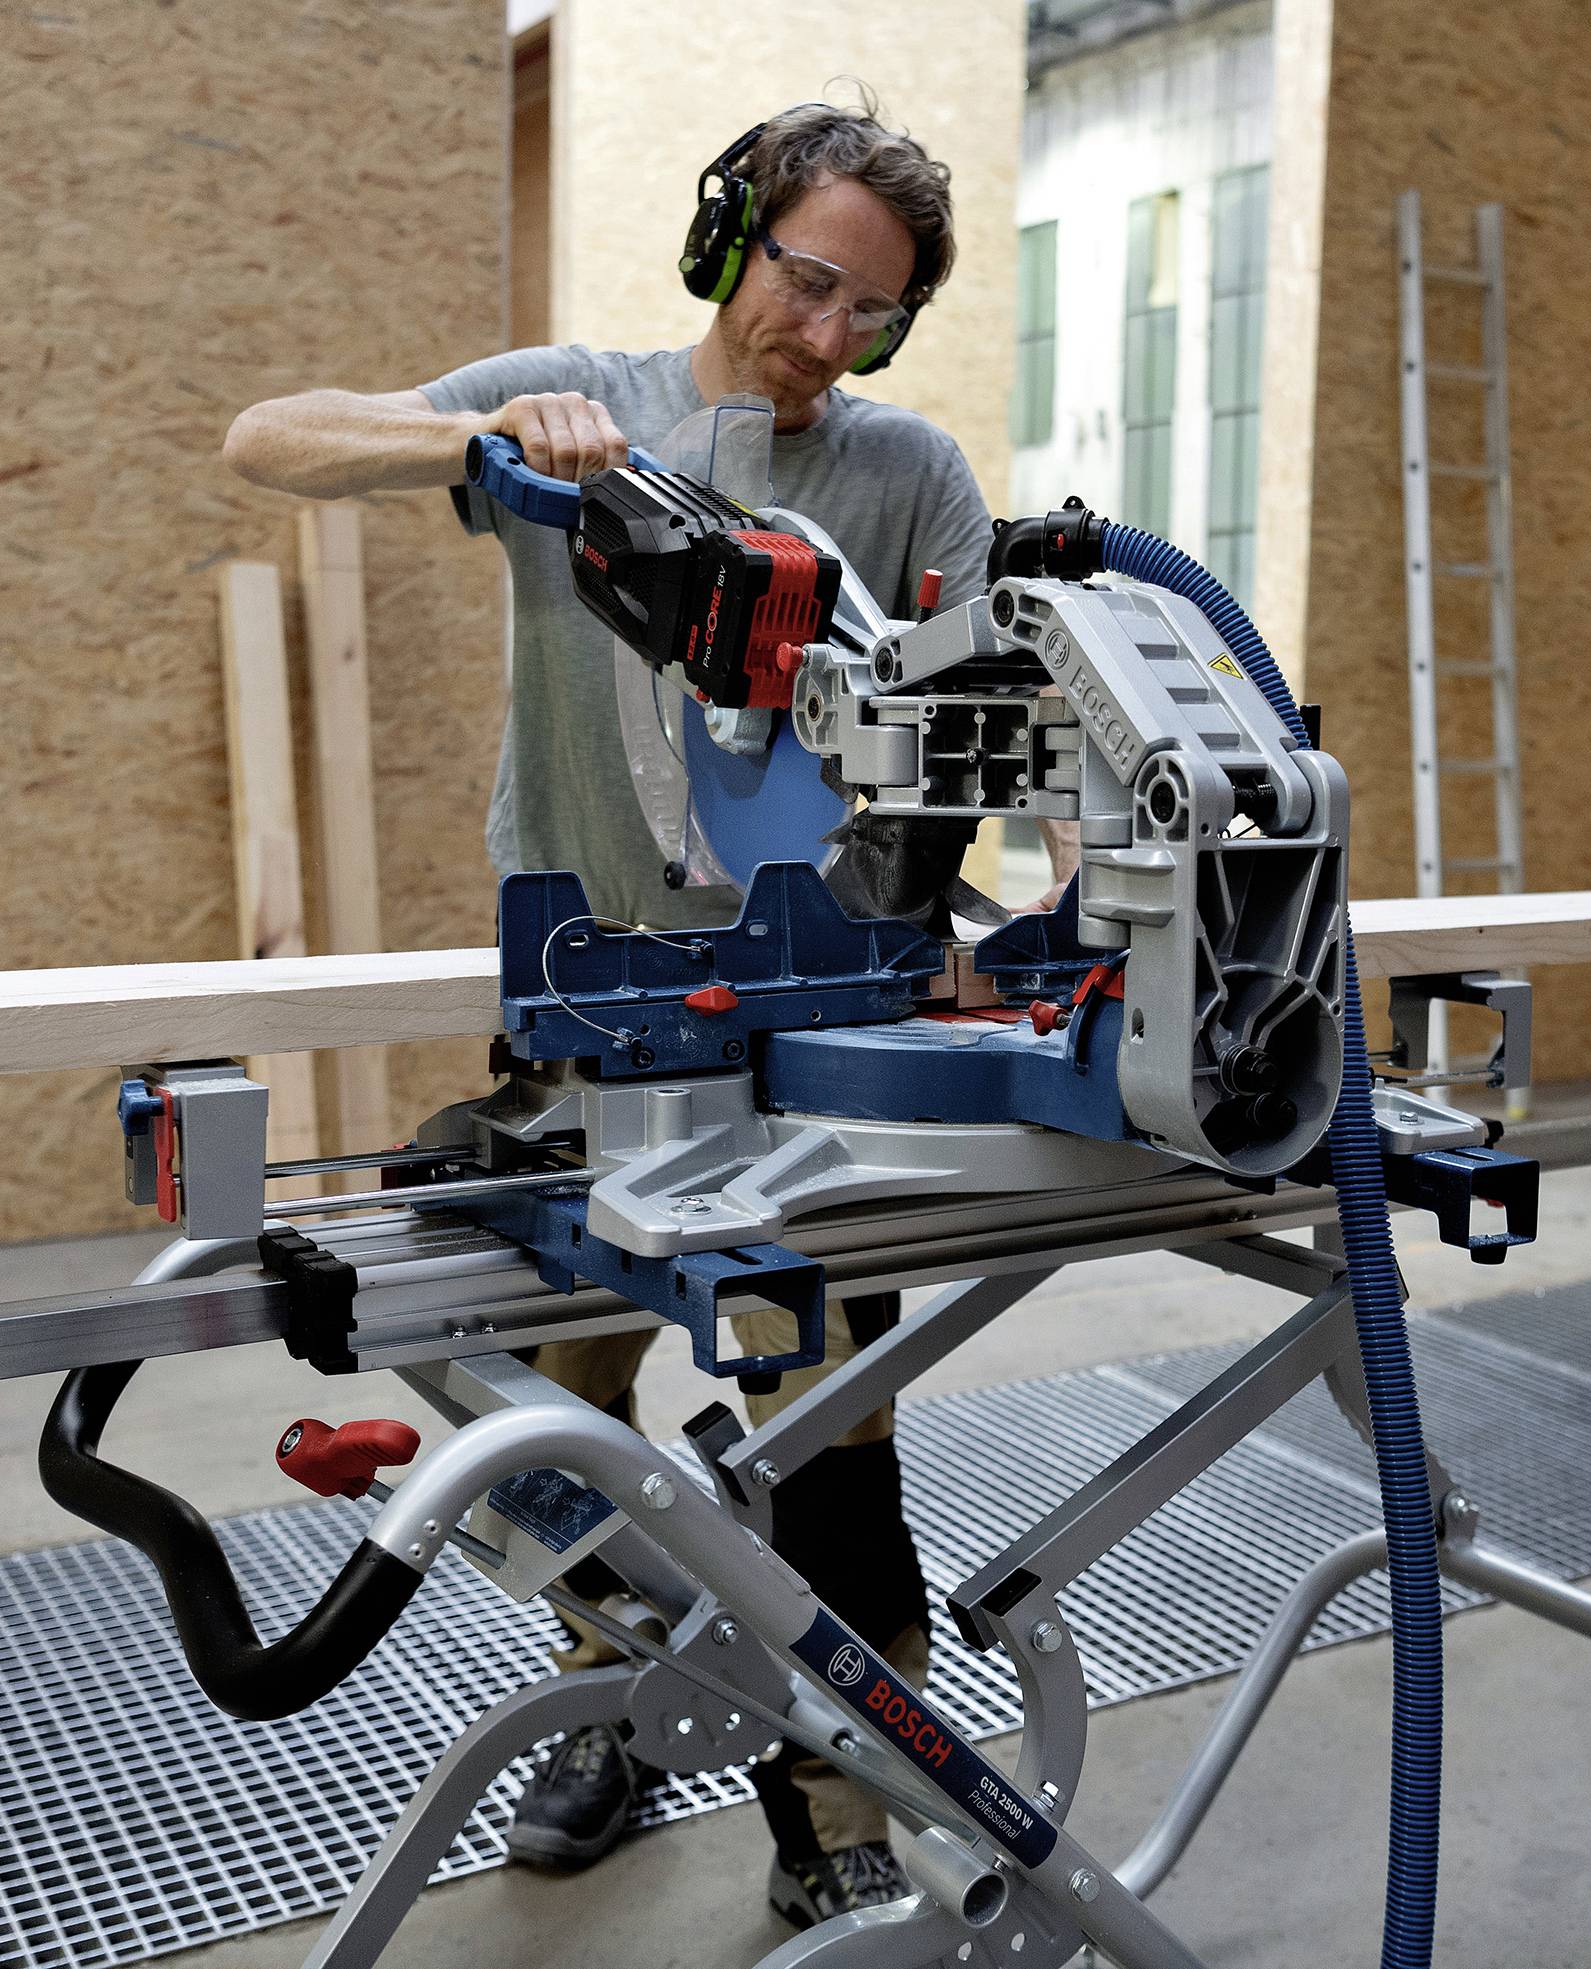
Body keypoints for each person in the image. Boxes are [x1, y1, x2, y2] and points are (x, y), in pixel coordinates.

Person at [224, 98, 998, 1929]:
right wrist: (486, 432)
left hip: (814, 1031)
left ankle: (836, 1805)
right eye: (803, 281)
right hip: (593, 1004)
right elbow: (267, 438)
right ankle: (628, 1698)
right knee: (545, 1430)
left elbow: (980, 716)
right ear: (729, 238)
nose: (822, 339)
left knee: (828, 1431)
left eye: (867, 313)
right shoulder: (583, 397)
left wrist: (995, 920)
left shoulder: (907, 472)